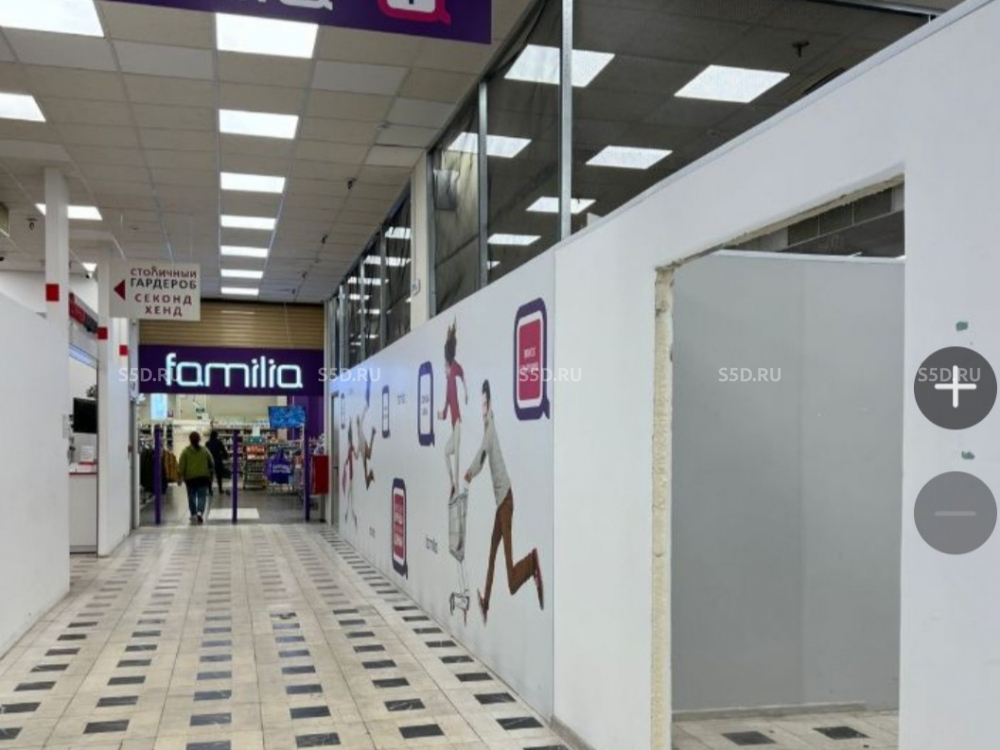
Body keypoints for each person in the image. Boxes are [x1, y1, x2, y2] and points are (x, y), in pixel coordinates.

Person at [464, 380, 543, 624]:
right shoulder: (489, 428)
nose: (482, 410)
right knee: (491, 552)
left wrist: (469, 473)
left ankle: (531, 563)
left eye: (485, 404)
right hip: (502, 503)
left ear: (490, 405)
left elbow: (481, 454)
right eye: (481, 405)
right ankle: (486, 602)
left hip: (506, 501)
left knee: (510, 578)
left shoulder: (490, 429)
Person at [439, 321, 468, 499]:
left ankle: (456, 486)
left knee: (456, 456)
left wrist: (466, 392)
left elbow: (462, 373)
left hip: (457, 423)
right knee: (446, 452)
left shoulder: (453, 374)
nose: (444, 370)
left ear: (449, 367)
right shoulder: (448, 385)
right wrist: (441, 414)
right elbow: (445, 407)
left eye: (445, 367)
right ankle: (452, 484)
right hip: (453, 426)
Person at [178, 431, 214, 524]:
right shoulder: (205, 450)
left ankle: (193, 514)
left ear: (190, 440)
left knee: (191, 497)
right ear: (199, 440)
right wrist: (210, 472)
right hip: (203, 477)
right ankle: (200, 512)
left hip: (190, 478)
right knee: (202, 496)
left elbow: (181, 466)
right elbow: (211, 462)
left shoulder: (185, 452)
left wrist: (180, 477)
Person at [205, 430, 228, 496]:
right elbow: (223, 450)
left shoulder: (207, 443)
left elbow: (205, 452)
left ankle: (210, 490)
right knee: (219, 476)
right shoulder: (219, 442)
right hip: (218, 460)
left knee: (210, 476)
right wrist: (225, 456)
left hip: (209, 461)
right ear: (216, 435)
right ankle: (220, 489)